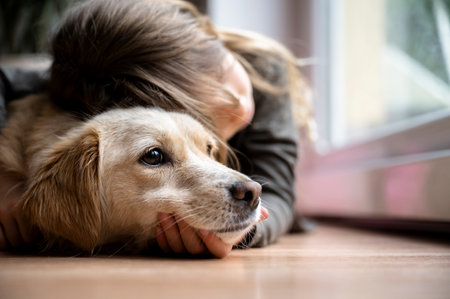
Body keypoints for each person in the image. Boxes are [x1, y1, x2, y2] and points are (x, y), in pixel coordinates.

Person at [0, 0, 312, 257]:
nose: (238, 107)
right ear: (138, 104)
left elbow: (279, 195)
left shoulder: (262, 75)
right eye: (155, 156)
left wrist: (245, 231)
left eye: (209, 146)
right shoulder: (90, 86)